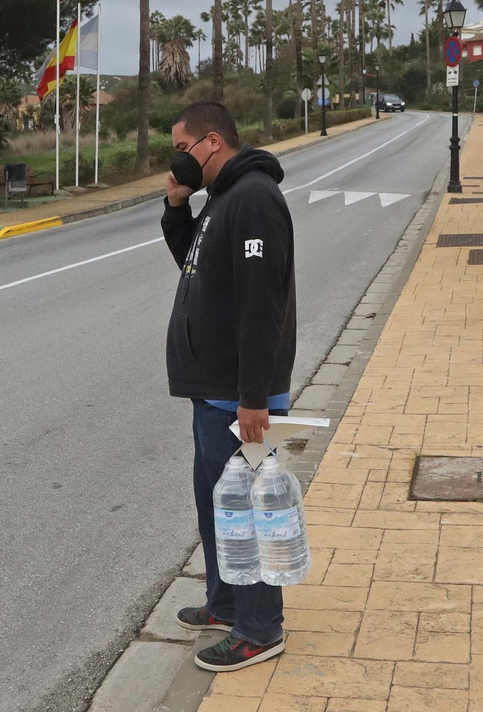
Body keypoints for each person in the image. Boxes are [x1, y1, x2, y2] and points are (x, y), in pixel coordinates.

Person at [161, 101, 297, 673]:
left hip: (236, 396)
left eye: (181, 148)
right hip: (212, 389)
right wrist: (175, 208)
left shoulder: (255, 199)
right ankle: (225, 603)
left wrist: (254, 397)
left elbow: (260, 306)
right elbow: (194, 267)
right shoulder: (220, 199)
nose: (176, 160)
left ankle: (260, 628)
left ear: (211, 141)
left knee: (249, 510)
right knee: (218, 507)